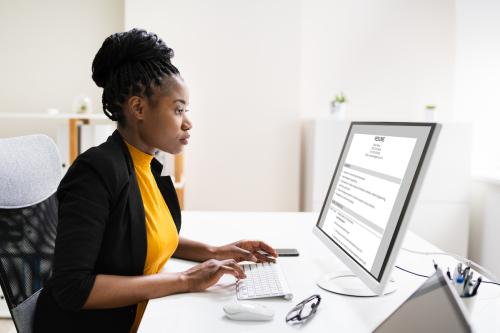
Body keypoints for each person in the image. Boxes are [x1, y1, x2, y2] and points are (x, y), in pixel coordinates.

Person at [34, 28, 277, 332]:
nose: (188, 122)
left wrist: (215, 252)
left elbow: (144, 239)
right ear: (138, 108)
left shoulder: (146, 166)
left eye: (186, 110)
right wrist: (186, 280)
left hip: (149, 313)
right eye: (178, 110)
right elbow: (73, 287)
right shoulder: (96, 172)